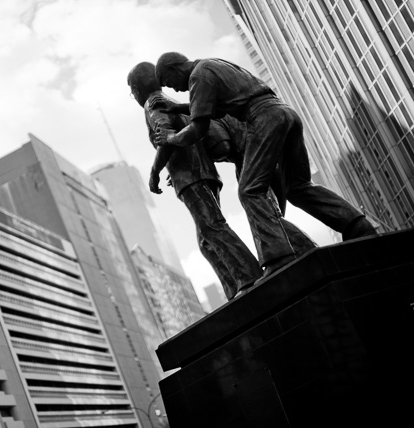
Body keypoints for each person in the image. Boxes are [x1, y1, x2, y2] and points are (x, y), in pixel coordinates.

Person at [153, 52, 377, 283]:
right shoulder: (212, 65)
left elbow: (198, 129)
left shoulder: (198, 76)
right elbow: (217, 110)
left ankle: (278, 258)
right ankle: (357, 225)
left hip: (263, 119)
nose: (176, 89)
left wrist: (170, 138)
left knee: (250, 190)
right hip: (284, 113)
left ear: (174, 68)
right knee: (298, 187)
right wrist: (179, 108)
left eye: (171, 83)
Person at [127, 61, 261, 299]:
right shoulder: (169, 100)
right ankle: (234, 289)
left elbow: (165, 137)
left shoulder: (153, 104)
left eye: (132, 89)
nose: (133, 95)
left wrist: (155, 172)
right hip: (204, 173)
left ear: (138, 88)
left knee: (213, 227)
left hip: (192, 178)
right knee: (206, 242)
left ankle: (249, 277)